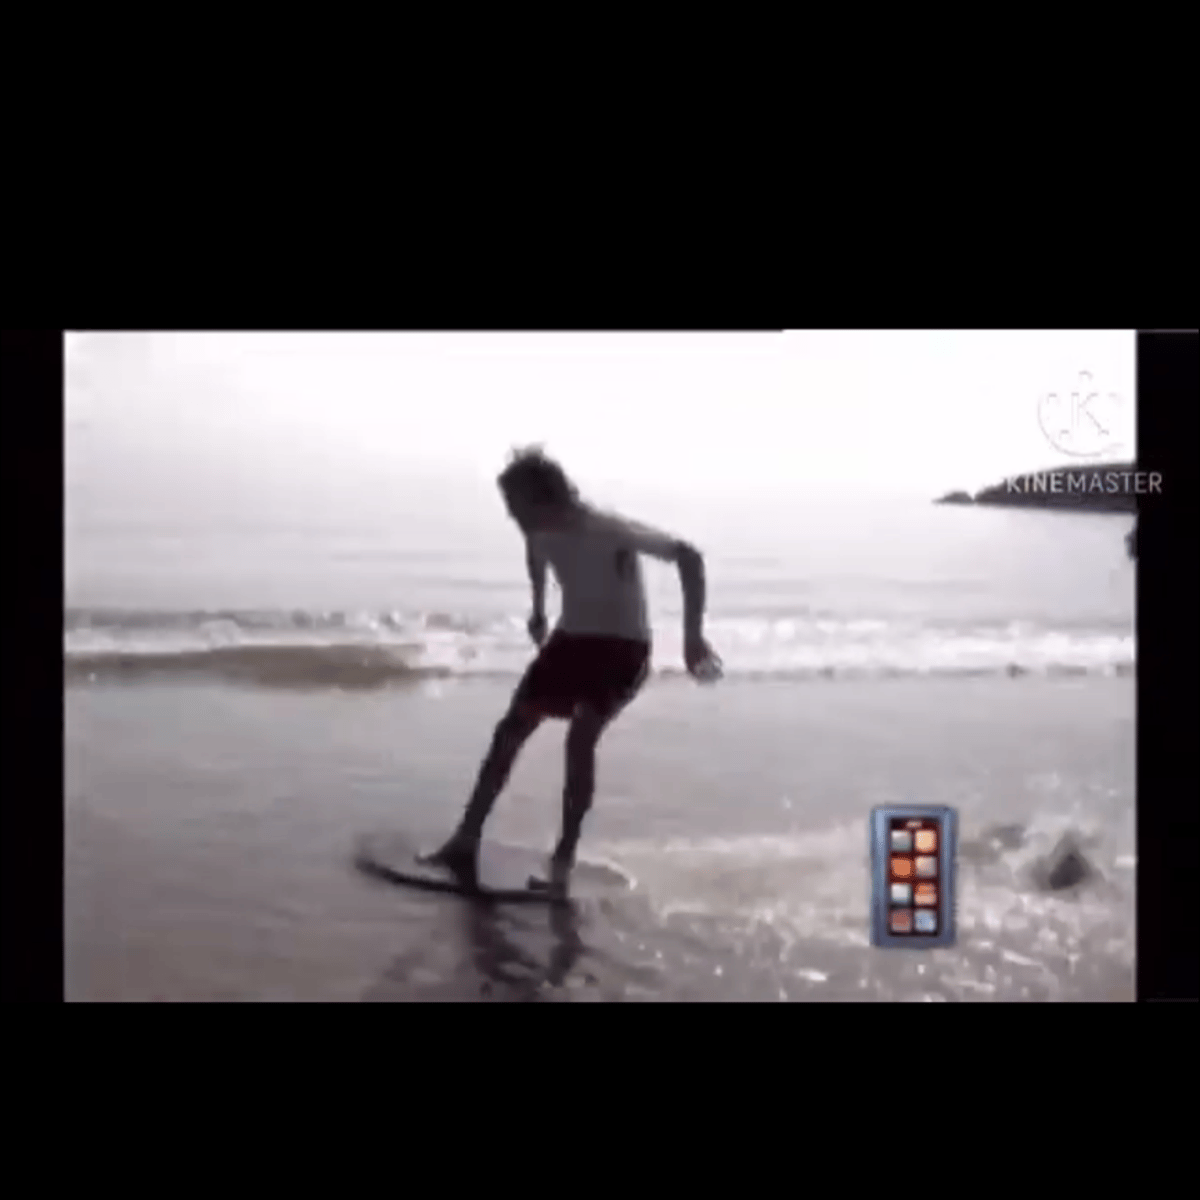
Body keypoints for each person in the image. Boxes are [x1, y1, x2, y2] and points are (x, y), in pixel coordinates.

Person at [422, 446, 721, 897]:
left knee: (580, 738)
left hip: (622, 649)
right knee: (510, 730)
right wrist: (538, 608)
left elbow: (689, 557)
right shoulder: (538, 532)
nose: (511, 515)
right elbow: (535, 557)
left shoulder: (606, 528)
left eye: (515, 504)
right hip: (570, 642)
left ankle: (562, 864)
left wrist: (692, 638)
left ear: (545, 497)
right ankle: (464, 841)